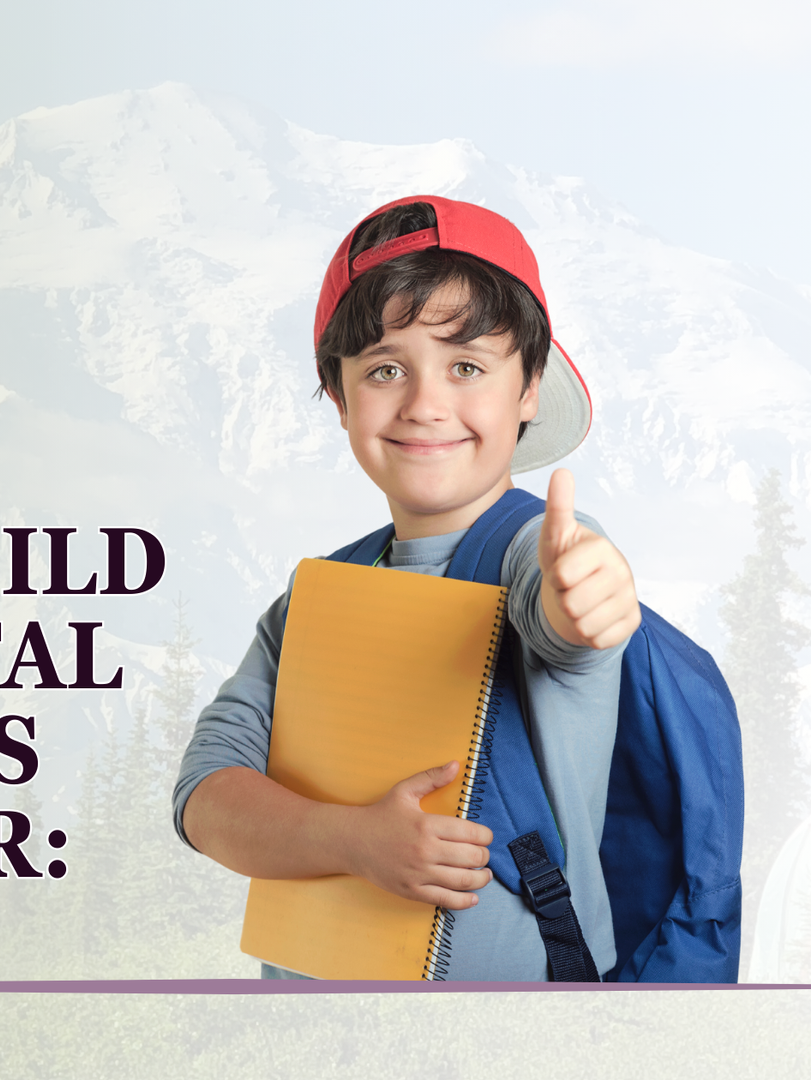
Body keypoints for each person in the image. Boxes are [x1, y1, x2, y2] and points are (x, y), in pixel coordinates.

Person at [171, 195, 643, 980]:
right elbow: (205, 796)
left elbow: (560, 610)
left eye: (467, 366)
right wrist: (349, 840)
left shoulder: (540, 550)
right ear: (340, 397)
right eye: (386, 369)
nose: (425, 404)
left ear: (528, 389)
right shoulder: (314, 598)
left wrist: (584, 599)